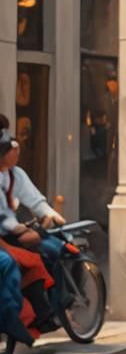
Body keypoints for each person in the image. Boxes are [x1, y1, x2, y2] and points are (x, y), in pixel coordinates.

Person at [0, 123, 61, 333]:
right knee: (30, 261)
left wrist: (49, 213)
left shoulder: (15, 174)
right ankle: (41, 314)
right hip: (6, 236)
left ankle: (51, 307)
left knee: (50, 250)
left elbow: (33, 199)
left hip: (11, 232)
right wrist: (20, 230)